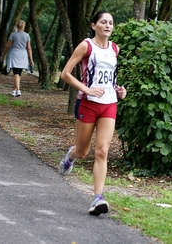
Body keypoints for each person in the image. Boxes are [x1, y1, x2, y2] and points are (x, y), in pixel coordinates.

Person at [59, 11, 127, 216]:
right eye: (103, 22)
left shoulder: (115, 48)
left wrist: (119, 90)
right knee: (83, 151)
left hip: (108, 105)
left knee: (102, 151)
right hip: (88, 104)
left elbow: (109, 78)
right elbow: (65, 74)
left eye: (111, 23)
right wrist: (86, 89)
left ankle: (98, 198)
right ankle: (71, 156)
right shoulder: (86, 46)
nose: (108, 25)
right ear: (94, 25)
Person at [0, 20, 34, 97]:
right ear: (24, 26)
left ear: (17, 25)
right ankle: (14, 90)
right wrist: (31, 59)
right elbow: (29, 48)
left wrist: (3, 55)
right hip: (23, 55)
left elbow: (8, 46)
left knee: (16, 73)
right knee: (18, 73)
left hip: (15, 54)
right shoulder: (27, 35)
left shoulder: (13, 35)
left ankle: (18, 90)